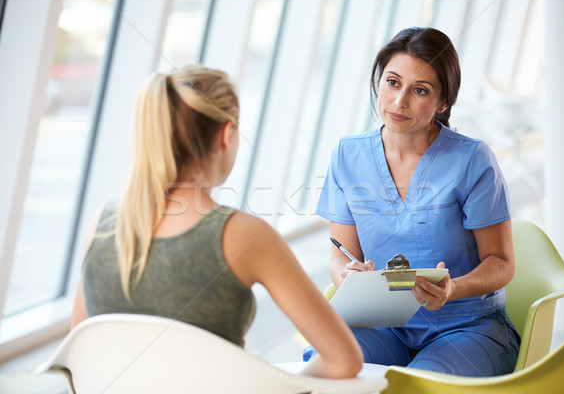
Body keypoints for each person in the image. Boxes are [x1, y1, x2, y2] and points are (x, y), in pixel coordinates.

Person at [70, 64, 363, 379]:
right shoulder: (243, 235)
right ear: (227, 134)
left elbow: (79, 353)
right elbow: (343, 360)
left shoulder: (104, 223)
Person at [304, 27, 521, 377]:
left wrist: (452, 289)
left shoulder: (473, 159)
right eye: (392, 82)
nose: (399, 101)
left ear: (443, 102)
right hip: (381, 323)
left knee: (419, 384)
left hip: (463, 326)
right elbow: (340, 255)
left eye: (420, 90)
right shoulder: (347, 155)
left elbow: (502, 263)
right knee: (329, 370)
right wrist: (348, 276)